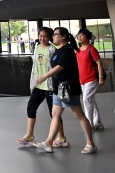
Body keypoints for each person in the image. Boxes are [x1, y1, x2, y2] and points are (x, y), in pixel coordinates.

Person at [33, 27, 97, 155]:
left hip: (69, 88)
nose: (53, 37)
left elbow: (60, 67)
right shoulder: (58, 50)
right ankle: (49, 142)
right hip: (59, 88)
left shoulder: (67, 50)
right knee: (55, 114)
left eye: (55, 34)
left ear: (63, 37)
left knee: (79, 115)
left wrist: (44, 76)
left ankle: (91, 143)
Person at [18, 27, 67, 148]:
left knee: (54, 113)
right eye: (40, 36)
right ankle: (29, 135)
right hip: (39, 85)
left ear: (50, 37)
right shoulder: (37, 48)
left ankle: (61, 138)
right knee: (31, 107)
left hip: (50, 86)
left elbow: (57, 67)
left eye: (45, 36)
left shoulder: (53, 49)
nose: (42, 38)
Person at [76, 28, 105, 131]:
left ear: (87, 37)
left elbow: (99, 63)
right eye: (79, 35)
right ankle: (98, 122)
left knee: (86, 99)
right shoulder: (78, 51)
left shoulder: (91, 49)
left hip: (91, 78)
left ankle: (89, 123)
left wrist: (101, 77)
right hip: (82, 80)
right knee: (90, 100)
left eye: (82, 35)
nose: (79, 37)